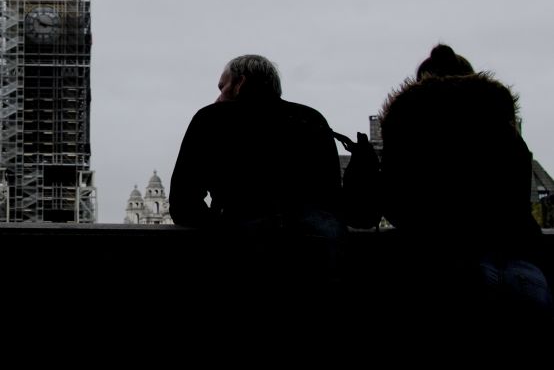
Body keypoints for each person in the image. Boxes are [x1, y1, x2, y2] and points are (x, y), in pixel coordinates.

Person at [375, 44, 552, 336]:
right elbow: (518, 200)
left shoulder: (408, 127)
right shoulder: (501, 126)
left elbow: (393, 204)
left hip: (433, 267)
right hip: (513, 261)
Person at [168, 54, 344, 329]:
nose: (217, 97)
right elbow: (333, 195)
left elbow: (183, 203)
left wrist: (218, 225)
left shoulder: (211, 119)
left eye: (221, 87)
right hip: (316, 252)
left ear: (240, 83)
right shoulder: (311, 119)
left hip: (245, 250)